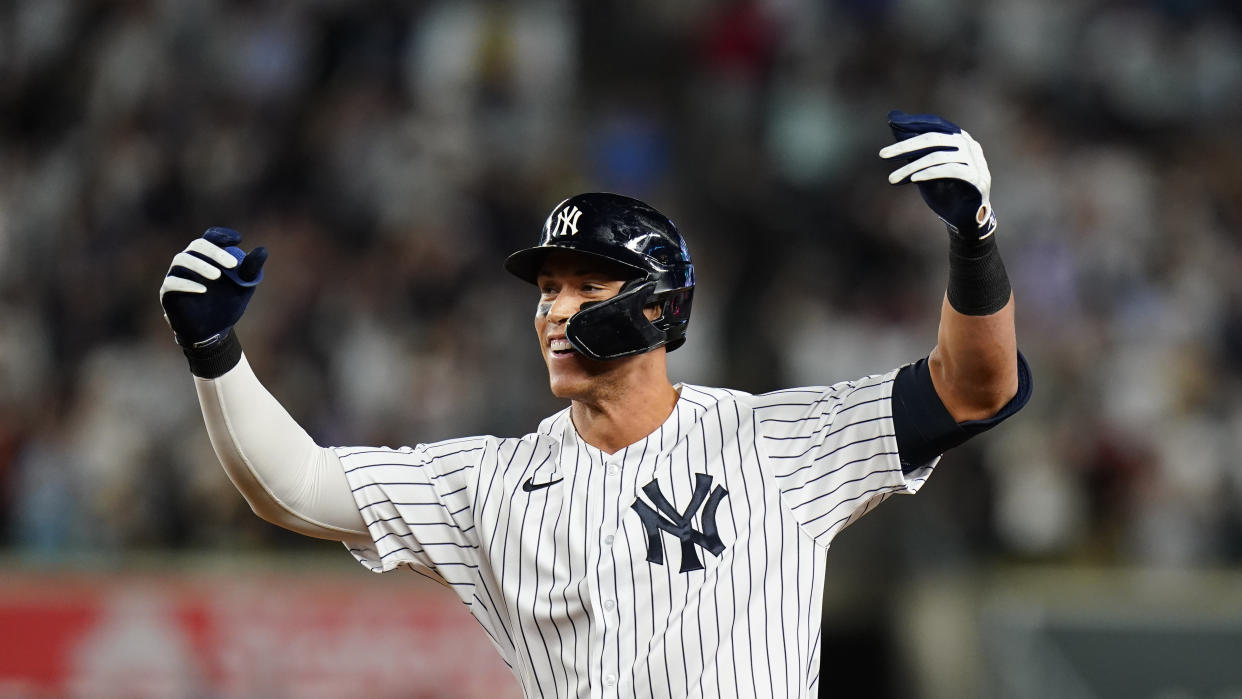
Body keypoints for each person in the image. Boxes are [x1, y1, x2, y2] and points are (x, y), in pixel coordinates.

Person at [159, 111, 1031, 698]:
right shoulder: (489, 483)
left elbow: (973, 387)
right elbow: (297, 484)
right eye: (546, 287)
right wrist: (215, 354)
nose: (553, 308)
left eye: (584, 284)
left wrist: (975, 239)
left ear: (658, 305)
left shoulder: (773, 441)